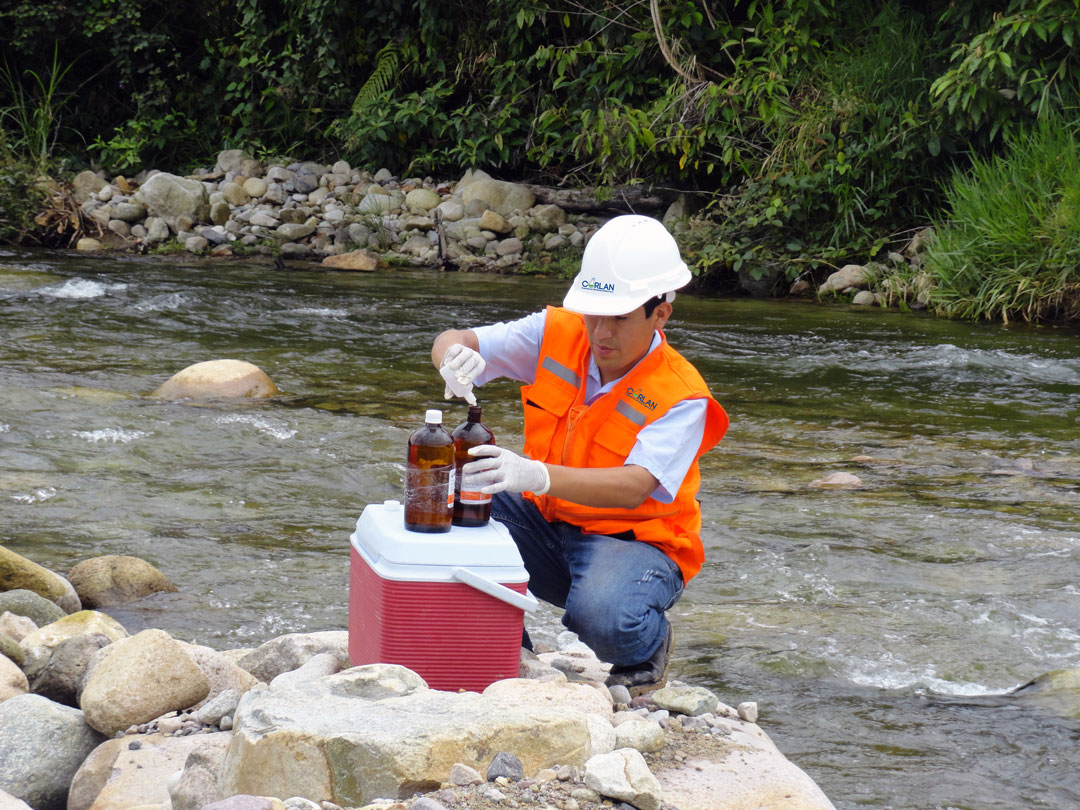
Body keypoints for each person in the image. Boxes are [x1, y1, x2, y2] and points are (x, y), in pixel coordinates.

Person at [431, 214, 728, 695]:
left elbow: (635, 487)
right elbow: (459, 338)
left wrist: (534, 474)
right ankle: (510, 648)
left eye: (619, 318)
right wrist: (450, 356)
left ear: (660, 315)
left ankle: (645, 642)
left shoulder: (682, 395)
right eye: (593, 314)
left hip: (632, 543)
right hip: (547, 522)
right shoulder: (556, 332)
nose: (601, 333)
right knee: (440, 504)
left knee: (606, 619)